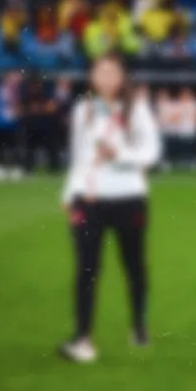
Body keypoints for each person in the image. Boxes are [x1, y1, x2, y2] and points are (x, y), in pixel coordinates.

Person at [58, 54, 162, 363]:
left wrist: (119, 155)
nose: (105, 77)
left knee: (134, 267)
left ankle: (139, 326)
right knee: (86, 269)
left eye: (111, 71)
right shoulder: (83, 110)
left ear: (121, 76)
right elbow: (79, 156)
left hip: (129, 197)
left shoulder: (137, 109)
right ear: (92, 76)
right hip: (89, 199)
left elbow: (151, 152)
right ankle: (82, 340)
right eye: (99, 71)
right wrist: (68, 193)